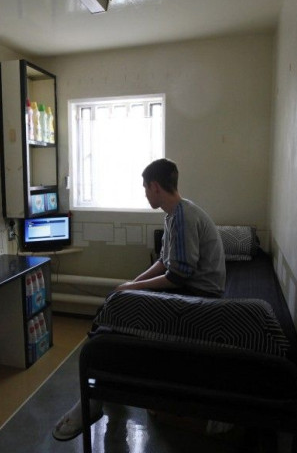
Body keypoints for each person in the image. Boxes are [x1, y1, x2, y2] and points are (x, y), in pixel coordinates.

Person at [52, 158, 226, 441]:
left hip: (199, 297)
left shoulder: (182, 216)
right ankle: (104, 384)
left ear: (155, 187)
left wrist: (133, 291)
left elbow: (179, 276)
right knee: (120, 299)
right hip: (190, 287)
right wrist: (133, 283)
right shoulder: (175, 213)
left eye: (145, 188)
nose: (145, 193)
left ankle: (94, 400)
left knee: (117, 309)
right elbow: (165, 262)